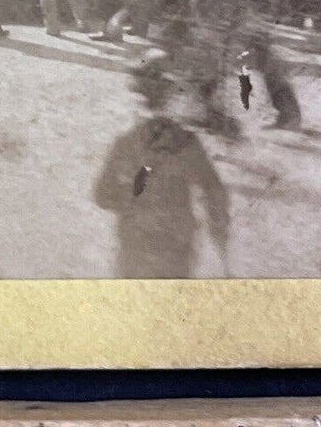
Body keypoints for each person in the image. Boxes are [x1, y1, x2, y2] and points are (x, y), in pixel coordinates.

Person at [92, 55, 230, 278]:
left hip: (135, 246)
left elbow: (102, 195)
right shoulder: (188, 144)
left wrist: (130, 200)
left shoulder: (126, 143)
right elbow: (214, 190)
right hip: (175, 247)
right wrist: (220, 232)